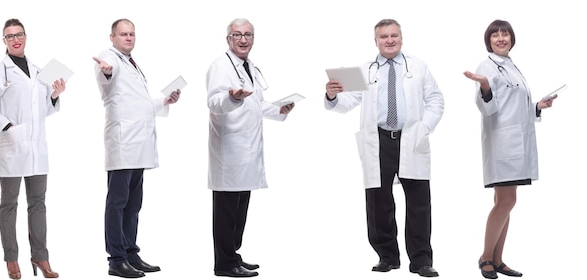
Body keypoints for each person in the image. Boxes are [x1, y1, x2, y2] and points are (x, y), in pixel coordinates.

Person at [324, 19, 444, 278]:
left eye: (394, 35)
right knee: (379, 201)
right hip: (378, 139)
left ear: (401, 38)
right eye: (384, 37)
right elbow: (349, 100)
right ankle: (387, 256)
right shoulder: (365, 70)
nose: (389, 40)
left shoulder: (419, 67)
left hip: (411, 138)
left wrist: (424, 128)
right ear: (376, 41)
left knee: (419, 201)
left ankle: (421, 260)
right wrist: (333, 96)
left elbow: (436, 99)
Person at [463, 19, 556, 279]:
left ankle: (498, 259)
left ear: (512, 39)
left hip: (515, 141)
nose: (501, 38)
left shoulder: (511, 66)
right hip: (502, 143)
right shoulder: (487, 66)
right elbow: (489, 109)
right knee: (507, 201)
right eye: (496, 35)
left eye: (505, 34)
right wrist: (483, 87)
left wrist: (537, 106)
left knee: (504, 202)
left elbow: (514, 106)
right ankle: (485, 258)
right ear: (489, 40)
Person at [206, 18, 295, 278]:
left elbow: (255, 103)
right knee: (226, 210)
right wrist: (230, 97)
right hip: (230, 149)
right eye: (237, 35)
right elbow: (214, 101)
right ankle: (224, 264)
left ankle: (233, 255)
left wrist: (279, 109)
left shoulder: (249, 67)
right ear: (228, 39)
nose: (243, 39)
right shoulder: (220, 66)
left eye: (248, 35)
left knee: (240, 208)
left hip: (246, 150)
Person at [93, 18, 181, 278]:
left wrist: (164, 101)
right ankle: (116, 259)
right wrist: (106, 71)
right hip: (123, 144)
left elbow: (137, 103)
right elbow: (107, 77)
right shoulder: (109, 58)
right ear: (112, 37)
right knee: (118, 203)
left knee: (133, 204)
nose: (129, 38)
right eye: (123, 34)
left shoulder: (131, 62)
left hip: (138, 145)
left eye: (132, 34)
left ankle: (131, 253)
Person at [0, 18, 65, 279]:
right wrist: (8, 130)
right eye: (9, 36)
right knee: (9, 203)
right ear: (3, 41)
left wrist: (54, 95)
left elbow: (42, 110)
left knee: (38, 203)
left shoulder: (40, 71)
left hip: (37, 149)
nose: (15, 39)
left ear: (26, 37)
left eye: (19, 34)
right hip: (12, 148)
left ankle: (40, 256)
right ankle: (11, 258)